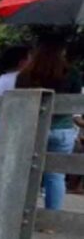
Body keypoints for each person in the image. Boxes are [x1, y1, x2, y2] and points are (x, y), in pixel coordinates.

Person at [16, 34, 83, 211]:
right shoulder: (71, 74)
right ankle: (50, 219)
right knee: (56, 175)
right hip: (62, 128)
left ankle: (21, 212)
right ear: (62, 52)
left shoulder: (25, 75)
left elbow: (18, 102)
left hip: (33, 127)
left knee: (27, 172)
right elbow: (76, 104)